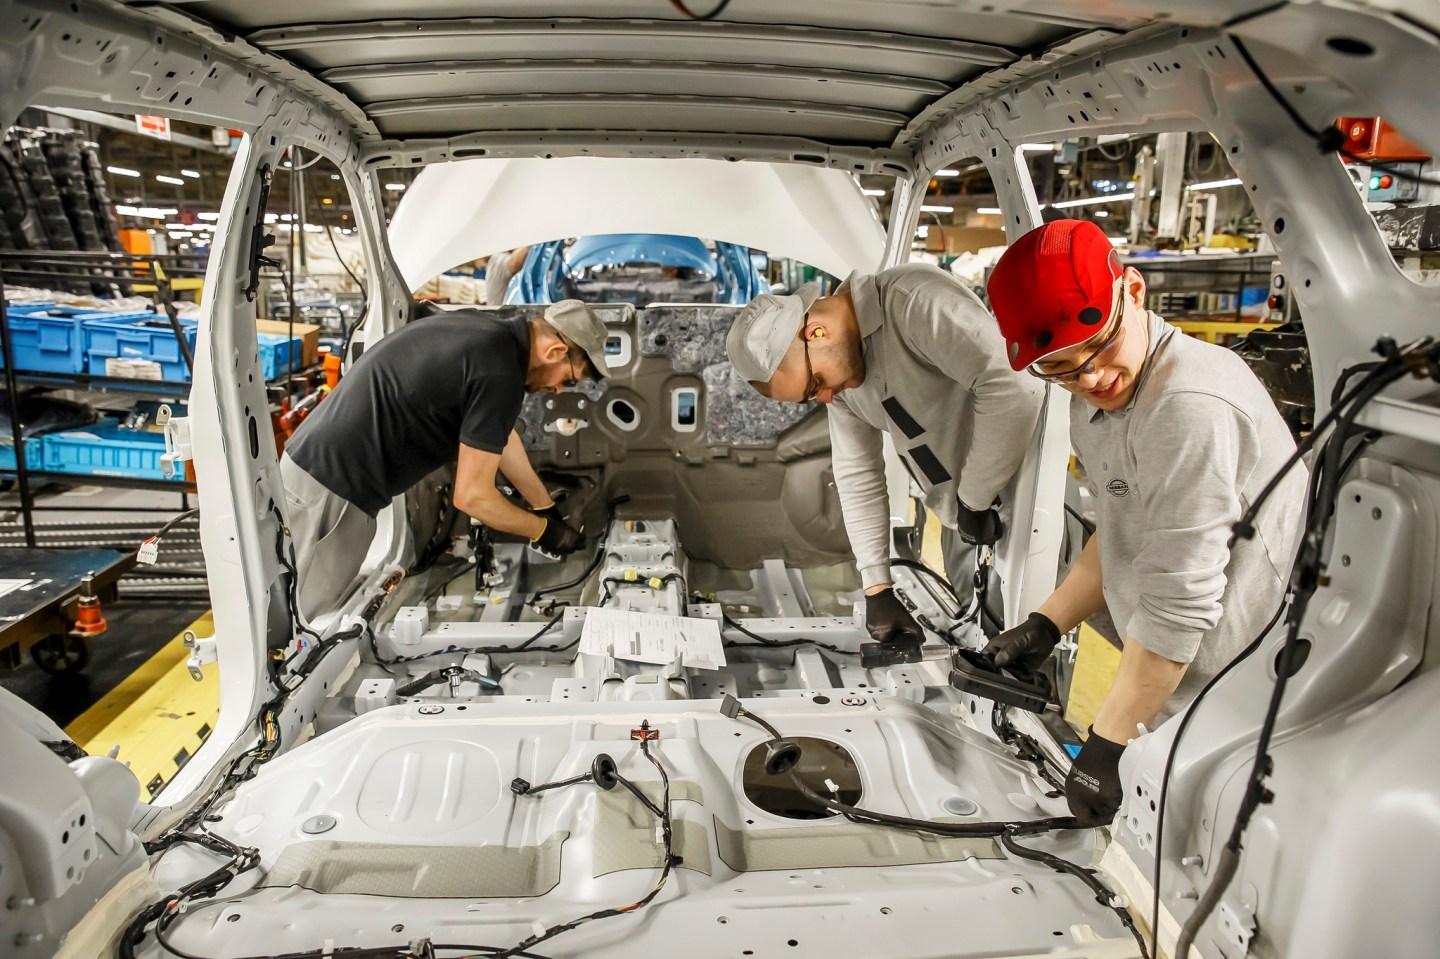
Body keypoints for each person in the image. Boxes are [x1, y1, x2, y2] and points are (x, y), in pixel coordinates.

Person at [982, 219, 1306, 825]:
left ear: (1133, 291)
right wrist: (1046, 624)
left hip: (1245, 688)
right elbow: (1121, 527)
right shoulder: (1096, 399)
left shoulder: (1188, 407)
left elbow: (1179, 603)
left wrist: (1108, 743)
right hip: (1171, 677)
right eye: (1061, 369)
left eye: (1100, 347)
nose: (1091, 378)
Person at [725, 265, 1044, 660]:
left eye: (815, 385)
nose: (826, 398)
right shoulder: (842, 375)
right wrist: (877, 587)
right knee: (984, 651)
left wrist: (974, 498)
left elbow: (1015, 387)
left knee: (1029, 659)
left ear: (816, 332)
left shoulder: (912, 303)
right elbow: (858, 473)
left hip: (1030, 505)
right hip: (965, 519)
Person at [280, 299, 608, 618]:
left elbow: (500, 436)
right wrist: (542, 531)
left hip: (324, 476)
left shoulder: (489, 334)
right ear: (555, 351)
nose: (559, 391)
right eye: (568, 380)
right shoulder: (500, 371)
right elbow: (473, 496)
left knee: (301, 610)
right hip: (329, 490)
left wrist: (543, 506)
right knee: (301, 620)